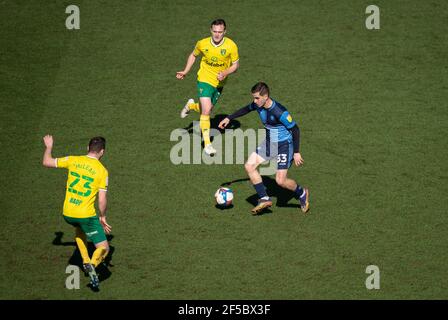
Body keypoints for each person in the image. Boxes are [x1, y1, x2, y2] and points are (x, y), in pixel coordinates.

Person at [218, 82, 310, 215]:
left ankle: (301, 192)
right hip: (269, 143)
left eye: (257, 98)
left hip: (284, 145)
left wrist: (296, 152)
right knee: (249, 166)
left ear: (265, 96)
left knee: (280, 181)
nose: (254, 101)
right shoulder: (258, 105)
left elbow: (295, 129)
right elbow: (246, 109)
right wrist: (229, 118)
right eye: (253, 98)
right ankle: (264, 198)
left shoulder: (279, 111)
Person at [42, 135, 112, 289]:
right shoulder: (102, 171)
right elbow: (102, 200)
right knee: (104, 248)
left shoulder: (73, 160)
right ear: (102, 152)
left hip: (68, 213)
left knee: (79, 228)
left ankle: (85, 260)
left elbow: (47, 162)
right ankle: (92, 264)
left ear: (87, 148)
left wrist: (49, 147)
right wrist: (103, 216)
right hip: (85, 215)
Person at [176, 18, 239, 156]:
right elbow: (193, 55)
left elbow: (235, 65)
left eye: (220, 32)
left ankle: (191, 106)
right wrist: (186, 71)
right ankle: (207, 144)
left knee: (207, 108)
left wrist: (225, 72)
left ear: (225, 32)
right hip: (204, 79)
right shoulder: (202, 43)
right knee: (206, 111)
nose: (217, 34)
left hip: (220, 82)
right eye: (215, 31)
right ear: (211, 30)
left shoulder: (231, 46)